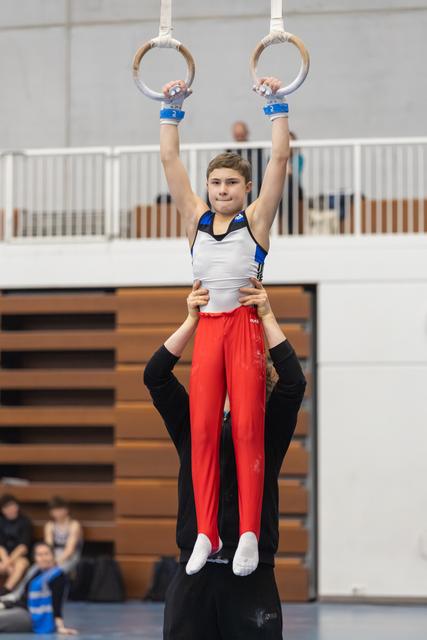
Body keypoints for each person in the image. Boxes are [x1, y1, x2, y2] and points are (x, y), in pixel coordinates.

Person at [159, 76, 290, 577]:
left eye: (231, 183)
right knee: (203, 431)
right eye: (215, 183)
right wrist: (172, 109)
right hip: (209, 329)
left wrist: (277, 107)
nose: (221, 190)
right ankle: (207, 532)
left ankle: (249, 532)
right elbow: (171, 162)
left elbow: (278, 160)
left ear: (246, 188)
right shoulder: (193, 219)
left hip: (244, 330)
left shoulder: (256, 221)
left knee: (249, 430)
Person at [144, 281, 306, 639]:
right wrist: (193, 322)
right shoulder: (192, 420)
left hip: (251, 574)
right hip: (194, 572)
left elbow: (294, 383)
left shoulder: (268, 426)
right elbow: (155, 376)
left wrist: (265, 315)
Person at [0, 542, 77, 634]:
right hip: (18, 608)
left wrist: (60, 627)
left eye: (46, 554)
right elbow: (22, 597)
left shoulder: (57, 576)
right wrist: (5, 604)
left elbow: (57, 603)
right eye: (39, 555)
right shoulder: (35, 572)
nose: (43, 558)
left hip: (30, 617)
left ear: (53, 556)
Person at [0, 495, 32, 595]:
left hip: (19, 556)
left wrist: (8, 562)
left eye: (12, 506)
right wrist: (5, 561)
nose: (10, 509)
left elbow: (23, 547)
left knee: (20, 565)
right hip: (3, 556)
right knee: (7, 567)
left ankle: (5, 591)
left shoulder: (25, 522)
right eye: (6, 507)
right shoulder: (1, 522)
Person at [44, 497, 83, 574]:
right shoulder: (50, 525)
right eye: (54, 510)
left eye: (59, 509)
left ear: (66, 510)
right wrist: (47, 560)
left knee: (55, 572)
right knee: (34, 570)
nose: (57, 512)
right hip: (52, 555)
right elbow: (49, 546)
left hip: (70, 556)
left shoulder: (74, 525)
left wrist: (55, 562)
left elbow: (70, 550)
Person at [230, 121, 263, 202]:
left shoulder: (256, 150)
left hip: (253, 181)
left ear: (247, 133)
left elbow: (259, 170)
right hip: (233, 182)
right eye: (237, 135)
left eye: (241, 134)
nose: (240, 137)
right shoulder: (229, 150)